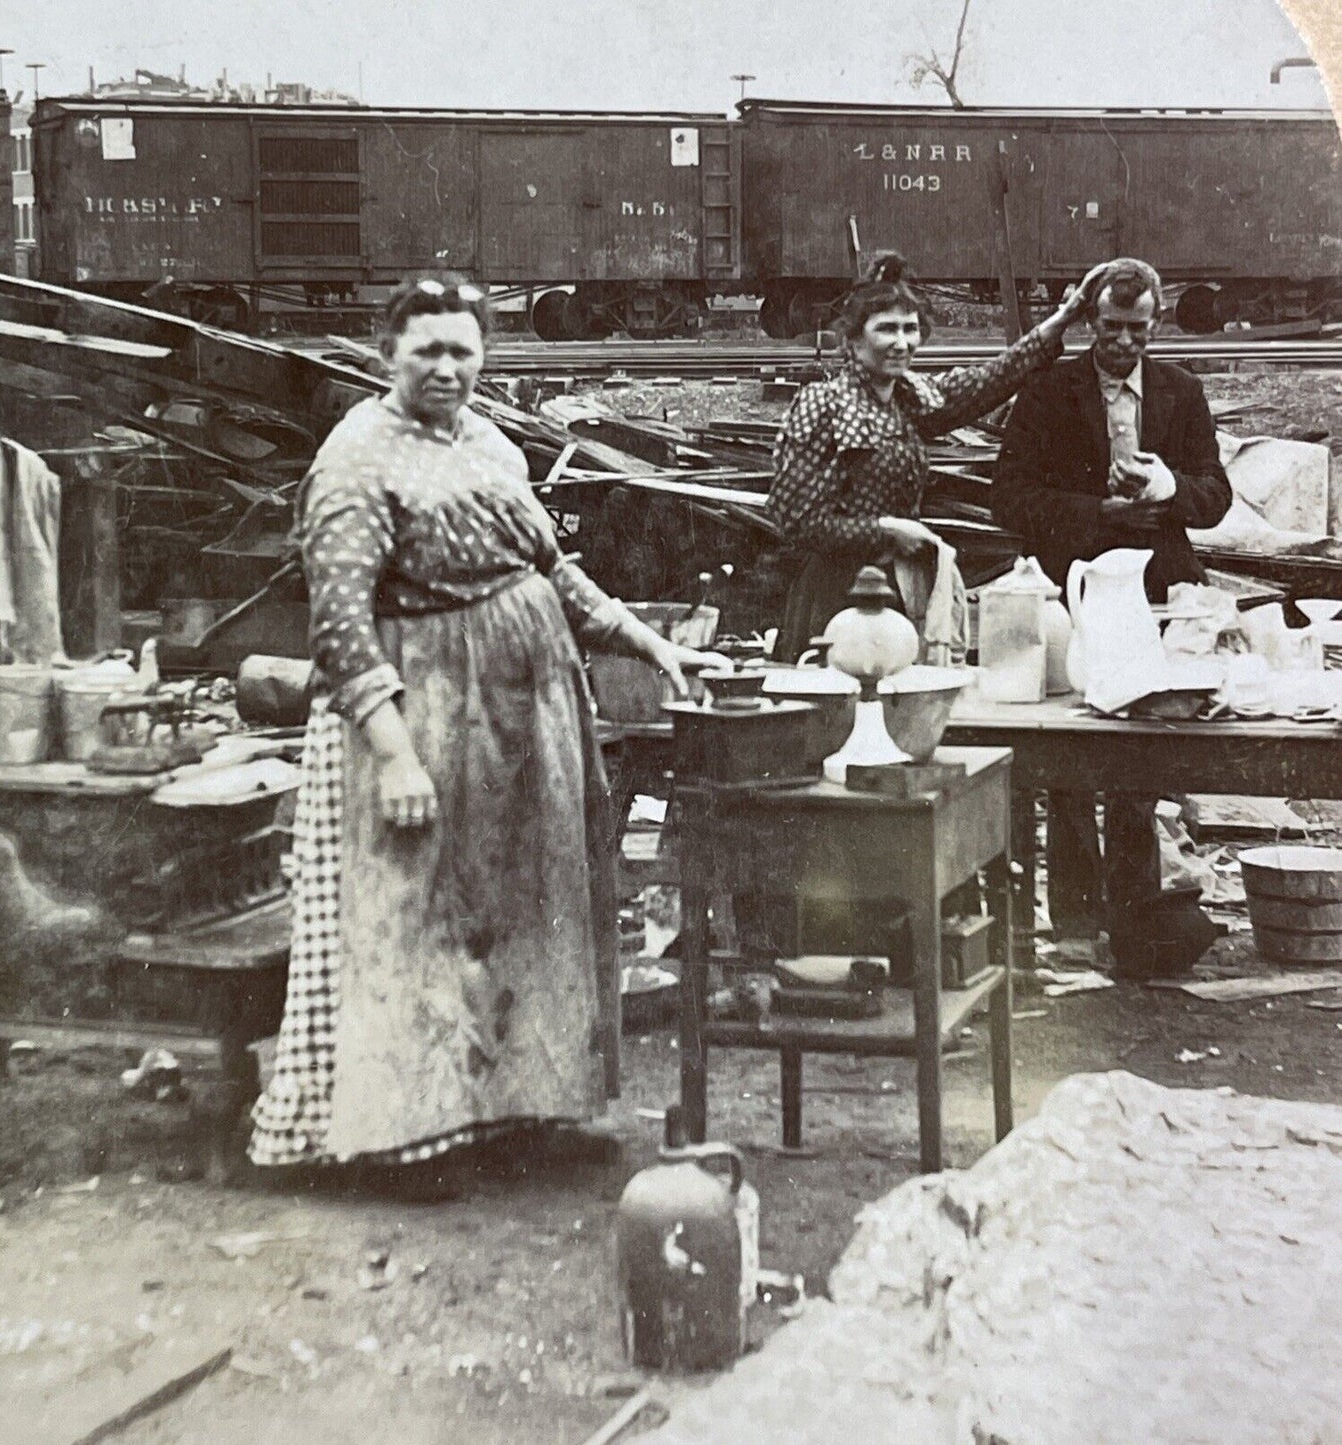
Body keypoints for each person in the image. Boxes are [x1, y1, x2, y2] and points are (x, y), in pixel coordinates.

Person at [249, 274, 724, 1179]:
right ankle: (402, 1134)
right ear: (386, 352)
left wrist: (646, 643)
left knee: (516, 911)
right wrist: (393, 755)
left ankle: (514, 1108)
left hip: (517, 720)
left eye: (462, 349)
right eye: (425, 348)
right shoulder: (356, 458)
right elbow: (340, 627)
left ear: (484, 356)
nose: (446, 367)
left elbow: (552, 566)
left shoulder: (492, 445)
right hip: (418, 716)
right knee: (416, 920)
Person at [991, 256, 1232, 966]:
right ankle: (1073, 916)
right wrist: (1094, 510)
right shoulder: (1048, 392)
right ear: (1088, 322)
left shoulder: (1179, 393)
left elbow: (1214, 495)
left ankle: (1128, 916)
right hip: (1071, 585)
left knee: (1137, 755)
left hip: (1157, 588)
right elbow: (1007, 495)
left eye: (1136, 329)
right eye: (1109, 328)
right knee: (1067, 752)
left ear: (1155, 323)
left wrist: (1168, 487)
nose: (1122, 344)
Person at [766, 252, 1105, 662]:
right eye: (886, 329)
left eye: (910, 329)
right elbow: (795, 519)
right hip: (837, 597)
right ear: (853, 340)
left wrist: (1064, 316)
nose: (901, 342)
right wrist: (885, 529)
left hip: (900, 590)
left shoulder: (909, 401)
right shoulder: (822, 405)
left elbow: (991, 378)